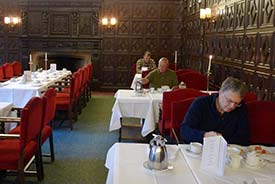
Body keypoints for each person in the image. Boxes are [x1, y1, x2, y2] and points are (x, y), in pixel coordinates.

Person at [180, 77, 249, 146]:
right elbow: (185, 131)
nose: (232, 106)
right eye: (229, 101)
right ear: (220, 92)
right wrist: (205, 135)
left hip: (229, 151)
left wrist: (221, 139)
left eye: (236, 103)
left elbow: (243, 138)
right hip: (201, 148)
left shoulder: (241, 107)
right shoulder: (201, 103)